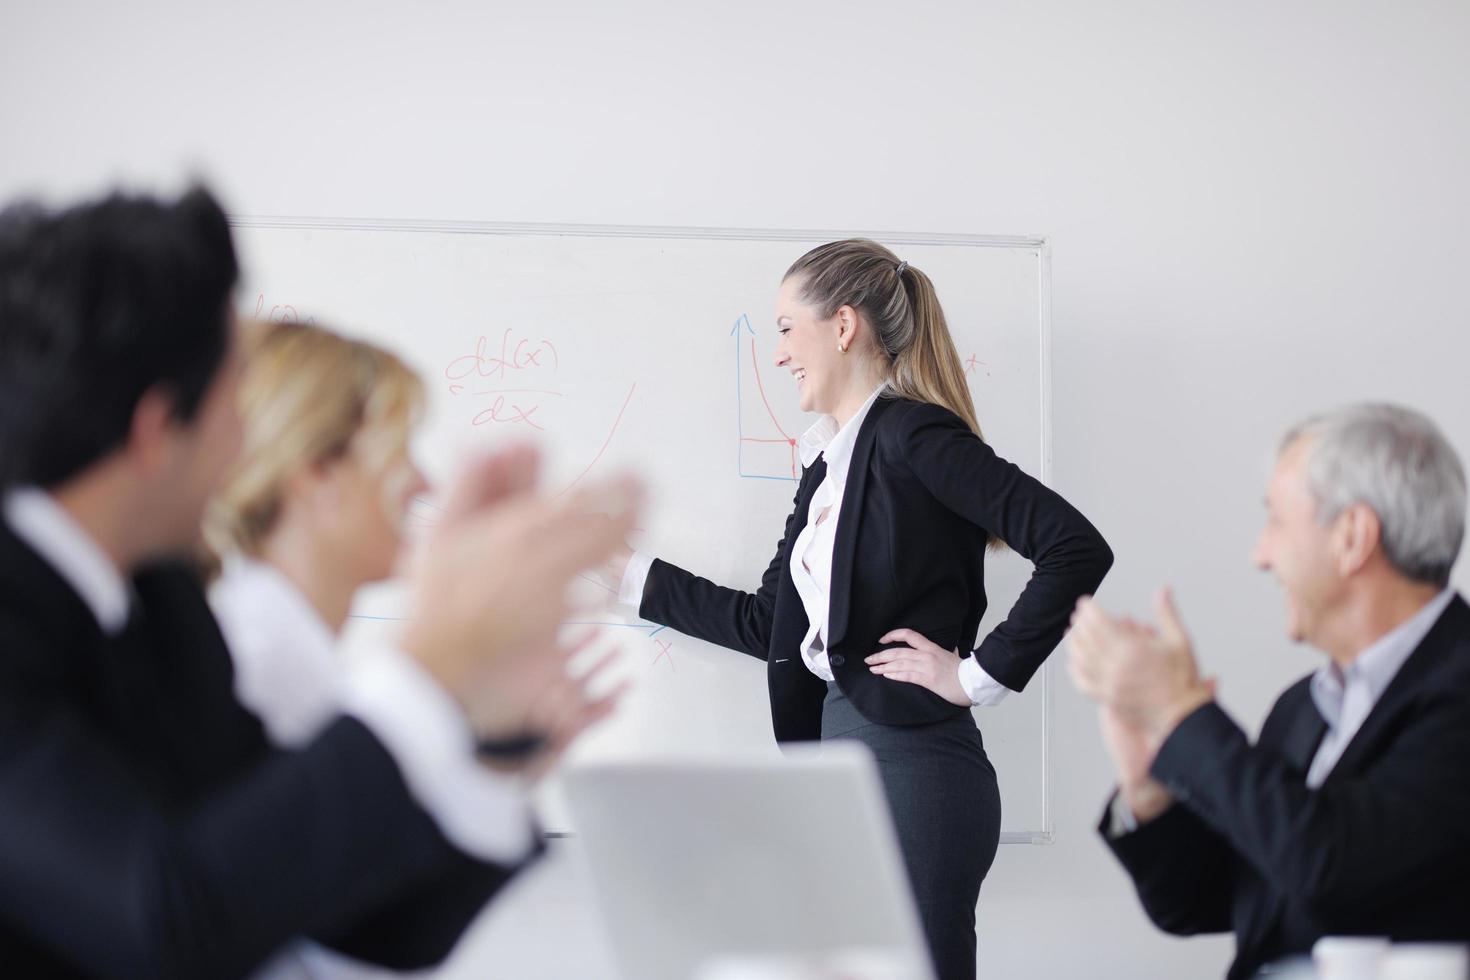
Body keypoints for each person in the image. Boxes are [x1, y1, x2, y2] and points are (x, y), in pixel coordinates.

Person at [0, 186, 639, 978]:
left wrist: (492, 743)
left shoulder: (163, 608)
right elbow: (170, 918)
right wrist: (429, 667)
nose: (251, 438)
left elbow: (346, 917)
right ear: (159, 429)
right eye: (238, 401)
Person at [609, 239, 1114, 979]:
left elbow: (1075, 546)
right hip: (839, 765)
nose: (778, 352)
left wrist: (977, 676)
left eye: (786, 326)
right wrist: (625, 577)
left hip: (912, 763)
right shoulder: (826, 468)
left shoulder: (916, 435)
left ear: (842, 326)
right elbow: (767, 624)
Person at [202, 317, 624, 978]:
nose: (424, 485)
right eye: (397, 452)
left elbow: (390, 928)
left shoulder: (291, 661)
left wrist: (502, 754)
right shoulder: (248, 667)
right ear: (318, 473)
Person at [1068, 403, 1470, 979]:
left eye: (1276, 522)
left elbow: (1333, 869)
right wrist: (1150, 790)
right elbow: (1215, 902)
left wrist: (1182, 713)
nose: (1261, 555)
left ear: (1353, 538)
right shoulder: (1302, 706)